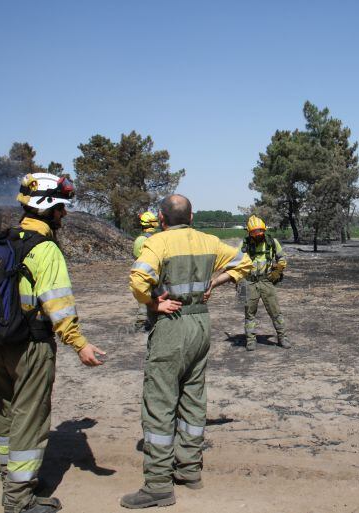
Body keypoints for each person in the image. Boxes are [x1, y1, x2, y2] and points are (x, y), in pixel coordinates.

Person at [123, 194, 252, 509]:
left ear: (162, 219)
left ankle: (157, 485)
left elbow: (138, 280)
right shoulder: (209, 241)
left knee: (160, 401)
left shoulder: (159, 243)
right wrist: (215, 281)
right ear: (191, 217)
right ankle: (190, 469)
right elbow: (244, 263)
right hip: (200, 325)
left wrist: (154, 303)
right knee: (193, 396)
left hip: (172, 326)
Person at [0, 172, 105, 513]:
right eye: (61, 208)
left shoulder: (2, 241)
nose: (64, 215)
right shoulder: (45, 249)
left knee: (6, 412)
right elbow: (58, 305)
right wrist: (79, 343)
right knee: (29, 417)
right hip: (31, 346)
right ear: (47, 207)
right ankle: (19, 499)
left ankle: (7, 476)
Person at [240, 215, 290, 351]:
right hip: (248, 282)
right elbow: (236, 263)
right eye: (254, 232)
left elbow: (282, 259)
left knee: (275, 311)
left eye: (260, 231)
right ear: (249, 232)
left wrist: (277, 271)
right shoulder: (243, 244)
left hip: (267, 281)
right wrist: (239, 282)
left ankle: (282, 337)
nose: (258, 234)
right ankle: (250, 339)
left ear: (264, 230)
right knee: (249, 312)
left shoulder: (272, 242)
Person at [133, 212, 159, 330]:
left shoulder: (139, 240)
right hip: (156, 272)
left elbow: (136, 255)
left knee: (143, 295)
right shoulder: (157, 239)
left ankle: (142, 321)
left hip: (142, 272)